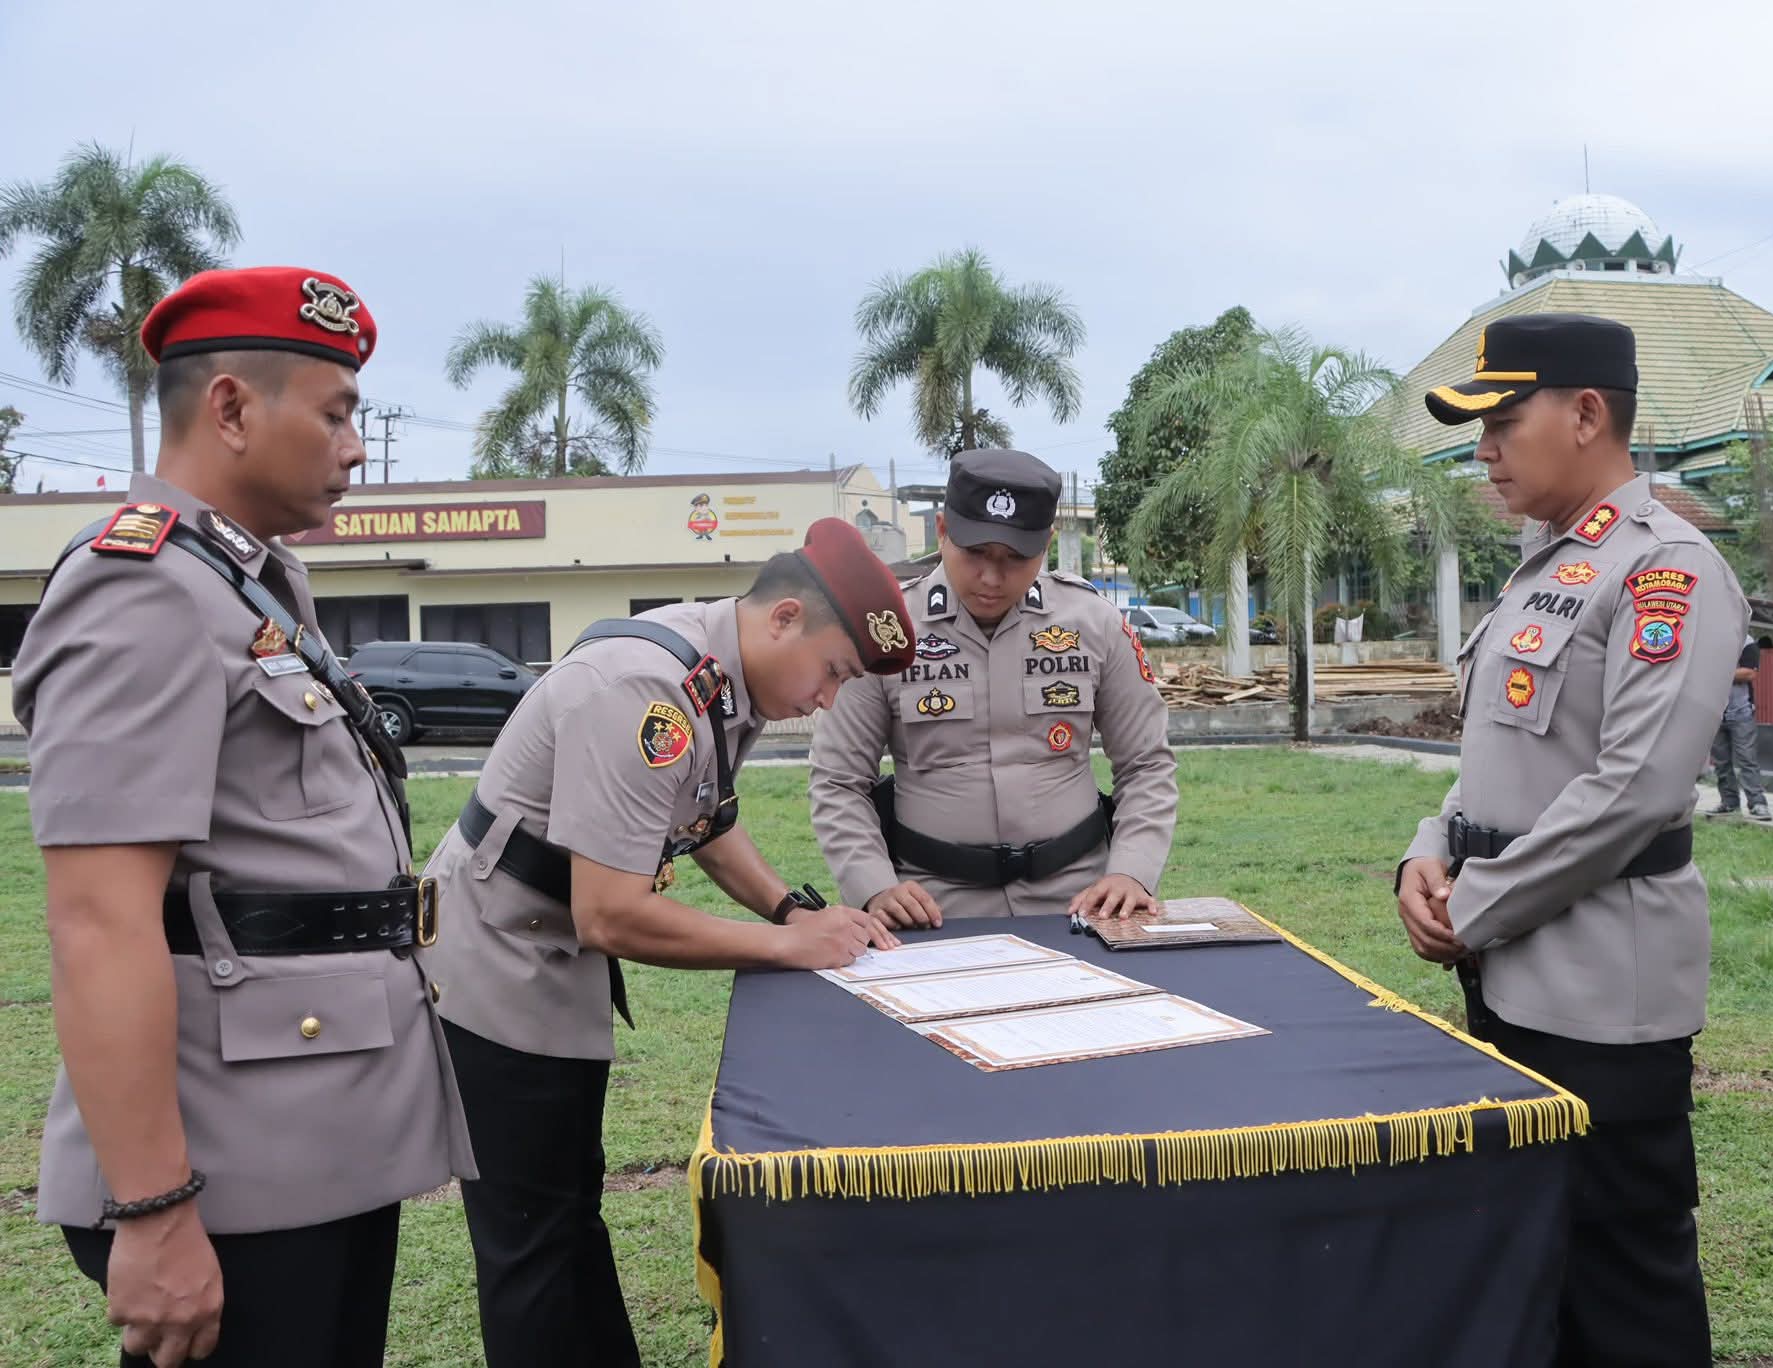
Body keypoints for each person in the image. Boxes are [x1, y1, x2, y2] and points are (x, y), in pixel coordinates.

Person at [13, 267, 473, 1367]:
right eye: (337, 413)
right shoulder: (143, 588)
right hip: (228, 1164)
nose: (358, 445)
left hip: (306, 1128)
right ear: (229, 408)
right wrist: (154, 1209)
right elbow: (98, 921)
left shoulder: (246, 582)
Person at [417, 517, 913, 1366]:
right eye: (833, 671)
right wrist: (788, 948)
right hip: (496, 963)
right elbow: (609, 914)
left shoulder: (720, 678)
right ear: (785, 617)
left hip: (545, 950)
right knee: (531, 1236)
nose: (829, 699)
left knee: (567, 1208)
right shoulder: (642, 690)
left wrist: (788, 910)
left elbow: (705, 818)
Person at [1394, 314, 1744, 1366]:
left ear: (1585, 413)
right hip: (1509, 969)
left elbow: (1633, 789)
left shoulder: (1662, 571)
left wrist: (1475, 905)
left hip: (1601, 987)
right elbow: (1496, 753)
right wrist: (1428, 847)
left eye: (1501, 422)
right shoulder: (1546, 566)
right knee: (1535, 1260)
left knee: (1620, 1281)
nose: (1482, 451)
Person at [808, 447, 1178, 925]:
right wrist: (873, 886)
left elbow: (1147, 764)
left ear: (1045, 544)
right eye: (975, 552)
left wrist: (1132, 872)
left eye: (1015, 558)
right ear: (942, 531)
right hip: (932, 906)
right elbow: (838, 781)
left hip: (1080, 898)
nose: (991, 577)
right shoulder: (887, 630)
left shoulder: (1093, 624)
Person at [1705, 634, 1771, 820]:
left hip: (1741, 713)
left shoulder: (1747, 642)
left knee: (1747, 760)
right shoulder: (1709, 642)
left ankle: (1758, 803)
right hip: (1715, 712)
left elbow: (1750, 673)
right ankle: (1729, 803)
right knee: (1721, 762)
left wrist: (1718, 674)